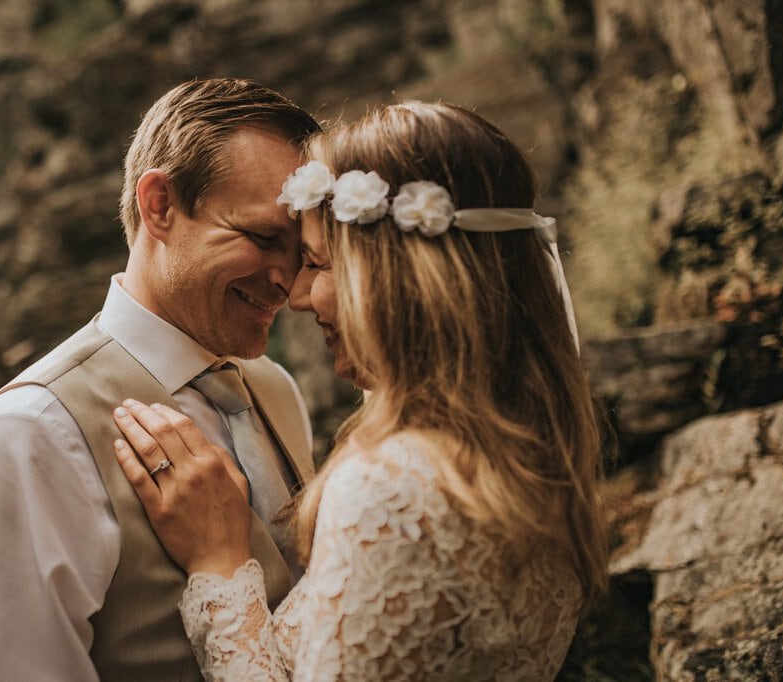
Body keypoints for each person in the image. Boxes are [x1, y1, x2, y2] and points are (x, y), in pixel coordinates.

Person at [111, 101, 609, 680]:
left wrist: (219, 564)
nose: (297, 295)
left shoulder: (392, 489)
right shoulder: (538, 464)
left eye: (318, 263)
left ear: (400, 281)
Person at [0, 78, 321, 680]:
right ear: (160, 206)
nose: (289, 282)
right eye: (264, 237)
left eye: (301, 251)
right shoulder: (26, 437)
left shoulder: (275, 390)